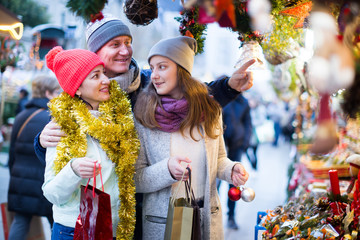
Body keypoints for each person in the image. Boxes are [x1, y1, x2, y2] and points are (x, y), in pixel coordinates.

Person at [33, 14, 255, 239]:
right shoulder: (79, 98)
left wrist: (229, 86)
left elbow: (192, 95)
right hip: (97, 216)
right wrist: (41, 142)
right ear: (95, 52)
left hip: (147, 212)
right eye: (115, 45)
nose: (125, 50)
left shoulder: (150, 84)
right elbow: (61, 163)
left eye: (128, 42)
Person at [133, 36, 249, 239]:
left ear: (182, 70)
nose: (154, 75)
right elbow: (136, 178)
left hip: (205, 219)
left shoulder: (210, 110)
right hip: (163, 223)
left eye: (162, 67)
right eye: (152, 68)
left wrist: (231, 170)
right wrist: (167, 169)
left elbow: (219, 159)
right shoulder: (144, 114)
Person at [41, 46, 139, 239]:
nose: (105, 80)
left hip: (112, 228)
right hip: (74, 229)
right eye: (95, 76)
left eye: (103, 73)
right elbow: (52, 193)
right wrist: (73, 170)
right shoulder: (63, 127)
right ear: (77, 88)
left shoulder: (120, 120)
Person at [7, 75, 61, 240]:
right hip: (44, 181)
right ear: (48, 93)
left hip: (21, 180)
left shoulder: (21, 116)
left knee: (20, 222)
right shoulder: (52, 118)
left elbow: (12, 153)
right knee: (56, 223)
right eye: (57, 92)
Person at [222, 93, 252, 230]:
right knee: (214, 182)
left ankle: (231, 216)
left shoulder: (243, 102)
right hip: (221, 146)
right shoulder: (223, 98)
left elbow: (248, 124)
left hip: (236, 146)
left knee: (234, 183)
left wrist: (244, 143)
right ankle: (210, 214)